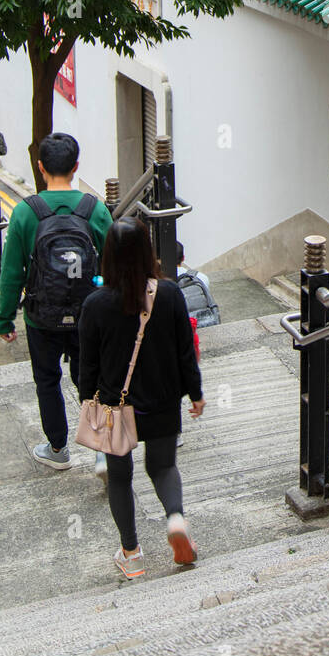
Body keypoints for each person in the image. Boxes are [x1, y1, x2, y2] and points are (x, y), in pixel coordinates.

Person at [78, 217, 205, 579]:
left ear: (109, 257)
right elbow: (185, 352)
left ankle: (132, 554)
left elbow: (88, 365)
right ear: (148, 252)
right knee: (163, 466)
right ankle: (176, 518)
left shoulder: (95, 305)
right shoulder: (169, 293)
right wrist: (195, 393)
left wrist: (90, 402)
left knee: (120, 477)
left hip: (117, 407)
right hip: (163, 398)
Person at [0, 132, 113, 471]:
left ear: (40, 167)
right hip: (88, 314)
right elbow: (112, 263)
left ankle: (58, 449)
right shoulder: (95, 209)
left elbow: (11, 272)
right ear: (76, 167)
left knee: (47, 380)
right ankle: (102, 448)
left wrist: (4, 319)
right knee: (91, 377)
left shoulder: (25, 213)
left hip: (40, 316)